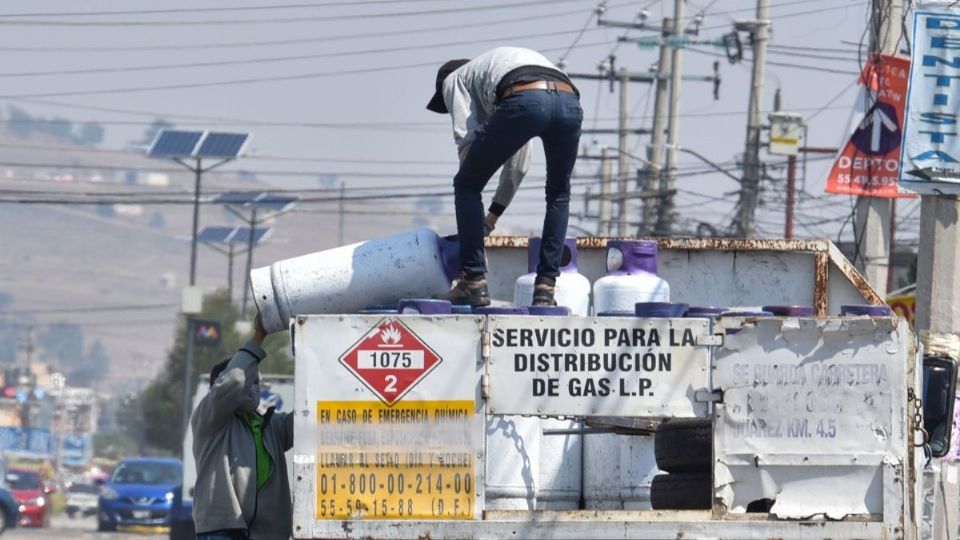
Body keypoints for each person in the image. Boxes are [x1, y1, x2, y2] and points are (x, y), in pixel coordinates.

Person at [427, 46, 584, 307]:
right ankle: (545, 289)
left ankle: (473, 282)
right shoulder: (497, 73)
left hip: (526, 97)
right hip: (569, 101)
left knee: (465, 184)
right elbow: (519, 165)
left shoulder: (454, 79)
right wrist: (491, 217)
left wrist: (472, 225)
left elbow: (466, 144)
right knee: (559, 194)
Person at [192, 314, 293, 540]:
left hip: (267, 534)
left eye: (257, 383)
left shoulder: (272, 426)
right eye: (250, 382)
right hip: (222, 531)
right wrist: (259, 336)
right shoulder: (210, 420)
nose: (253, 389)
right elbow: (235, 380)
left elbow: (310, 417)